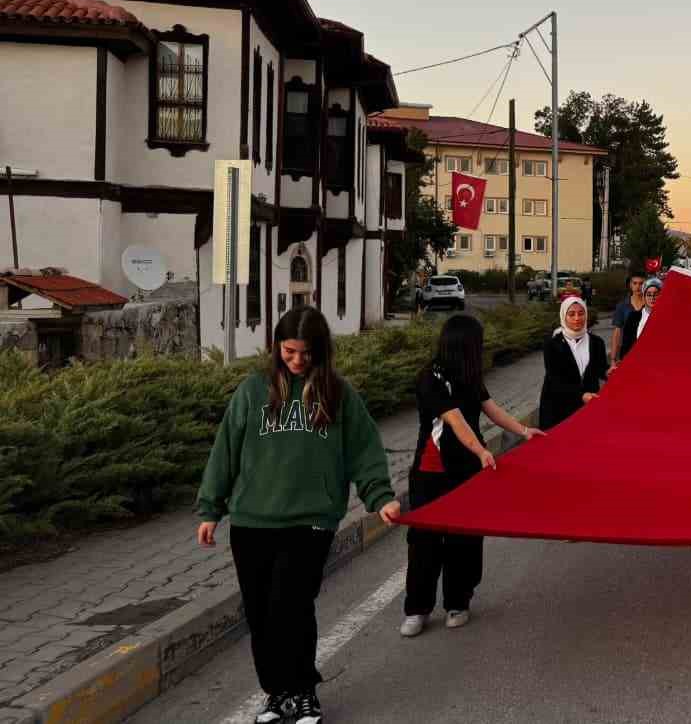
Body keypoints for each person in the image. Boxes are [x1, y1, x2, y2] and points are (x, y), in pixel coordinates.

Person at [196, 307, 399, 724]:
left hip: (311, 521)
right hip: (252, 522)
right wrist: (210, 509)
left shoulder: (337, 394)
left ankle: (304, 691)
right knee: (260, 614)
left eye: (306, 353)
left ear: (320, 351)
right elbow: (225, 451)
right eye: (289, 351)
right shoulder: (253, 392)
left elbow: (365, 450)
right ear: (276, 347)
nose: (297, 360)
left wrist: (380, 497)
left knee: (291, 606)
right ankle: (277, 694)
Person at [401, 315, 542, 639]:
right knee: (424, 542)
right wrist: (481, 450)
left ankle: (458, 602)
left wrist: (523, 430)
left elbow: (491, 408)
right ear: (463, 345)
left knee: (464, 539)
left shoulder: (470, 375)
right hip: (430, 473)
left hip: (465, 473)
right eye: (477, 343)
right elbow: (454, 420)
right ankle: (417, 608)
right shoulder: (430, 377)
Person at [541, 296, 610, 430]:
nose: (577, 318)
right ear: (563, 316)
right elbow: (555, 379)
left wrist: (608, 372)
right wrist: (580, 396)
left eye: (581, 313)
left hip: (588, 408)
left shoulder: (597, 342)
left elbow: (600, 368)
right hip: (558, 409)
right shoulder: (552, 344)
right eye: (571, 314)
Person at [618, 277, 662, 362]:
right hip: (637, 364)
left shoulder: (666, 318)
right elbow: (626, 345)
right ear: (644, 297)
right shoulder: (634, 317)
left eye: (656, 294)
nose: (652, 297)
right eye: (648, 294)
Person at [611, 272, 646, 360]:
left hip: (647, 352)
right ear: (630, 285)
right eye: (635, 283)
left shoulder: (650, 305)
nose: (638, 286)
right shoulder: (622, 306)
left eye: (641, 283)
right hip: (627, 352)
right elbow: (617, 333)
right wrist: (613, 359)